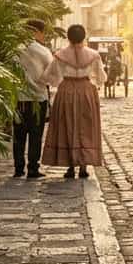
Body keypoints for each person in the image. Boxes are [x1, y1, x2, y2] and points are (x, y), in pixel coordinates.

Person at [41, 24, 106, 179]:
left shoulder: (60, 55)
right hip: (86, 91)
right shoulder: (93, 55)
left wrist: (58, 83)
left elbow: (49, 76)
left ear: (68, 37)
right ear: (84, 37)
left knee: (67, 125)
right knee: (86, 126)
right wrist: (93, 83)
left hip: (67, 91)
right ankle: (83, 166)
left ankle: (70, 166)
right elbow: (101, 77)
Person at [13, 20, 53, 179]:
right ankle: (33, 168)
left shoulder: (14, 50)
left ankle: (18, 168)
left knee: (19, 135)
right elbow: (51, 75)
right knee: (36, 135)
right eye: (43, 33)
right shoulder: (43, 51)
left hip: (19, 99)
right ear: (38, 32)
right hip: (38, 98)